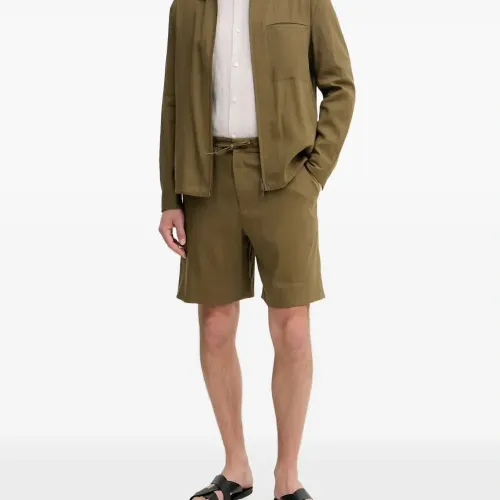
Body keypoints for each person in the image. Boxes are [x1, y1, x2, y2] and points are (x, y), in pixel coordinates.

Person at [158, 0, 355, 499]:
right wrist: (170, 197)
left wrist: (312, 177)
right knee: (215, 323)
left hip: (285, 180)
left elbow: (340, 87)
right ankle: (236, 467)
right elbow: (172, 102)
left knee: (292, 327)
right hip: (207, 181)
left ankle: (287, 477)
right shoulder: (187, 7)